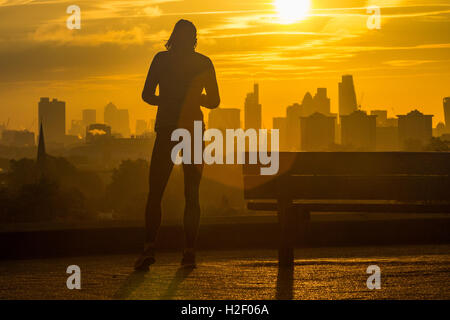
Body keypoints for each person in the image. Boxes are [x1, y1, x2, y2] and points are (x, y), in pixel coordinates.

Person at [134, 19, 220, 271]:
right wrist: (194, 97)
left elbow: (147, 95)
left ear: (174, 36)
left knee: (155, 191)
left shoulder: (161, 60)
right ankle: (189, 252)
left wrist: (168, 99)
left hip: (167, 129)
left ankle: (149, 247)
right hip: (193, 129)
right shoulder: (203, 62)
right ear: (194, 38)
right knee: (191, 194)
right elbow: (214, 101)